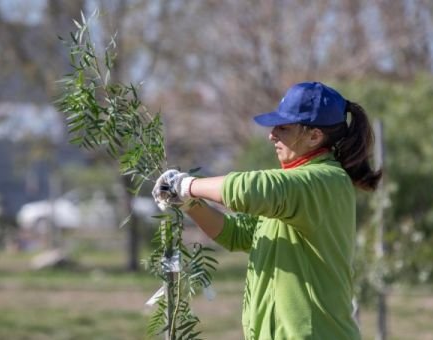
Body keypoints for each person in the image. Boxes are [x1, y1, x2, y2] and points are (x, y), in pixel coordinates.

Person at [152, 81, 381, 340]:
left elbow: (247, 190)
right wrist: (189, 204)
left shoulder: (324, 181)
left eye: (283, 128)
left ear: (314, 136)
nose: (271, 135)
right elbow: (237, 234)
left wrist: (186, 185)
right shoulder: (296, 187)